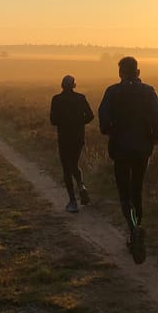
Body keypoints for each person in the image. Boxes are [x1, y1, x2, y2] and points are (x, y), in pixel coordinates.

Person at [98, 57, 158, 264]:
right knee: (137, 188)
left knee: (124, 191)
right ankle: (137, 227)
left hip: (120, 147)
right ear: (138, 71)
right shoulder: (148, 91)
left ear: (120, 73)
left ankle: (133, 228)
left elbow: (103, 115)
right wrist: (153, 138)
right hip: (143, 147)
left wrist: (109, 131)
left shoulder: (112, 91)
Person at [50, 74, 94, 213]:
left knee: (66, 168)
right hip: (78, 137)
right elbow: (90, 116)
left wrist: (64, 122)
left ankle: (73, 201)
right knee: (74, 163)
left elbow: (53, 120)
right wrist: (79, 123)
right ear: (74, 85)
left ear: (62, 85)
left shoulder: (56, 99)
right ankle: (81, 186)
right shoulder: (81, 98)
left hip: (64, 137)